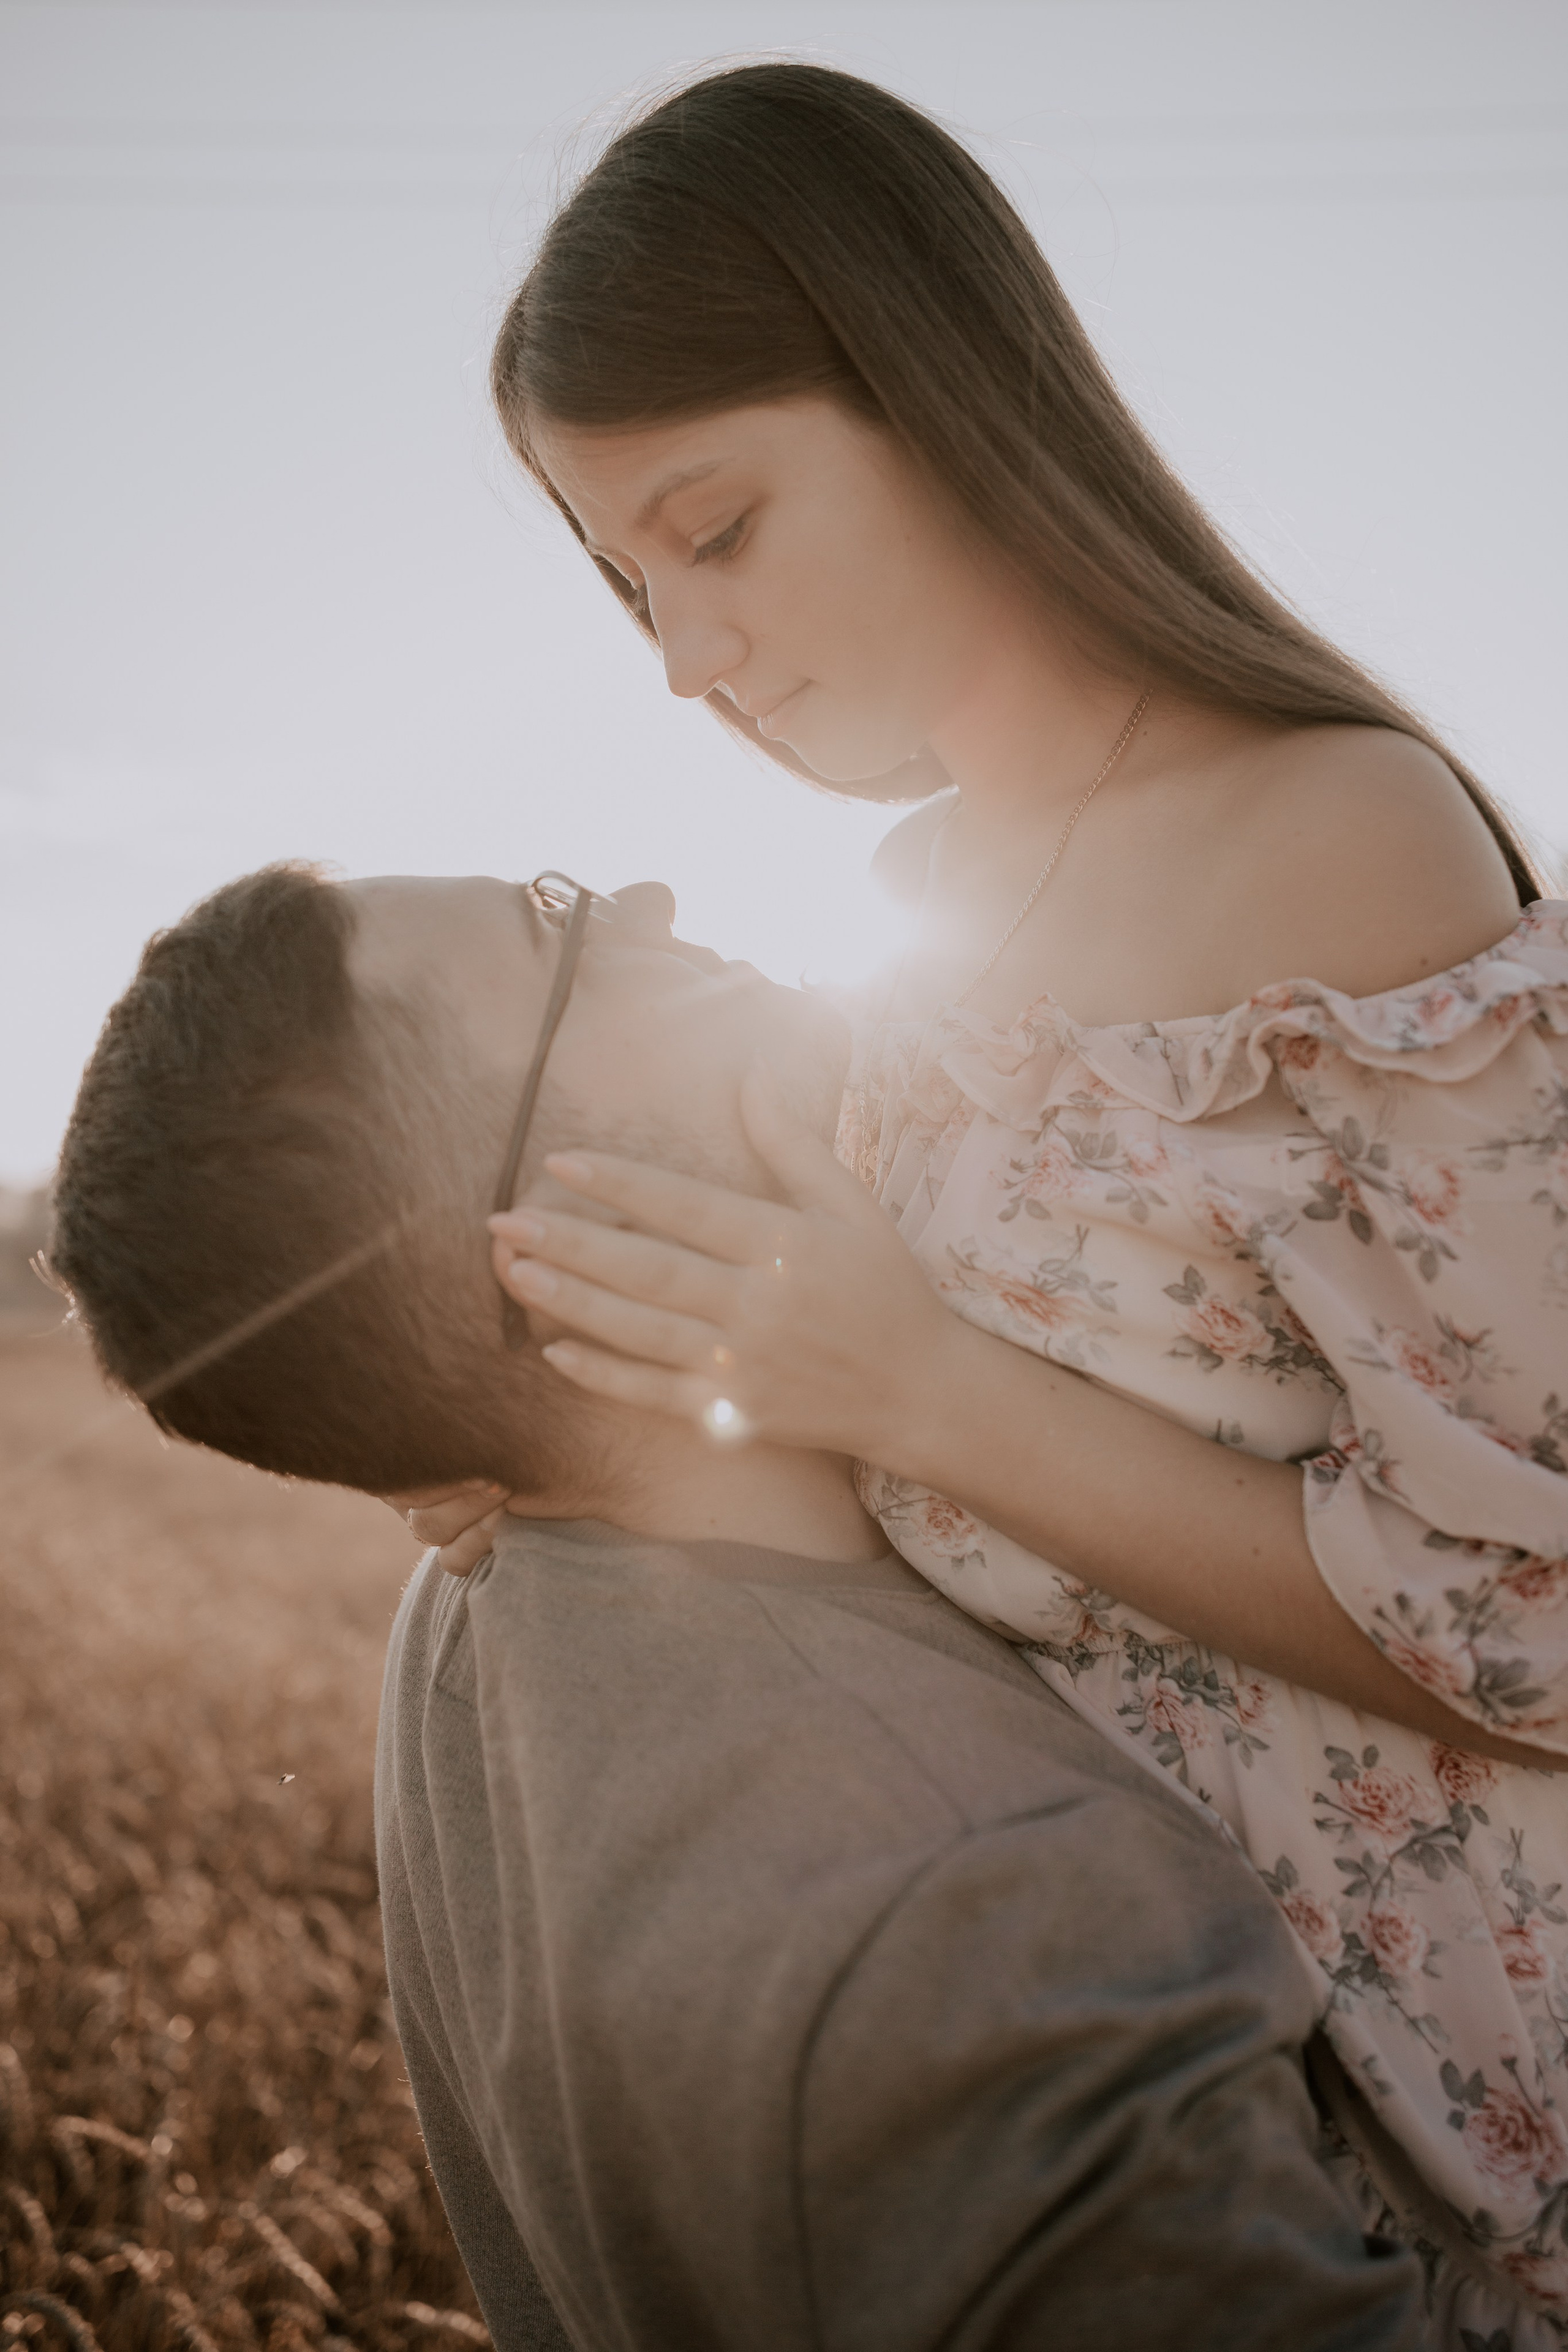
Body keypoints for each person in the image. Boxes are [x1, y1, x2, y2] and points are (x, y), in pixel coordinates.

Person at [442, 58, 1568, 2347]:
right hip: (1128, 2080)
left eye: (716, 529)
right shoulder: (905, 913)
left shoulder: (1338, 835)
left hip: (1469, 2116)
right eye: (627, 581)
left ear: (939, 387)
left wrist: (926, 1389)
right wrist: (534, 1433)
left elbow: (1544, 1616)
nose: (685, 661)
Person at [48, 861, 1428, 2350]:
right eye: (557, 933)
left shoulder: (458, 1623)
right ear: (558, 1254)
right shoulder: (975, 1917)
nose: (640, 901)